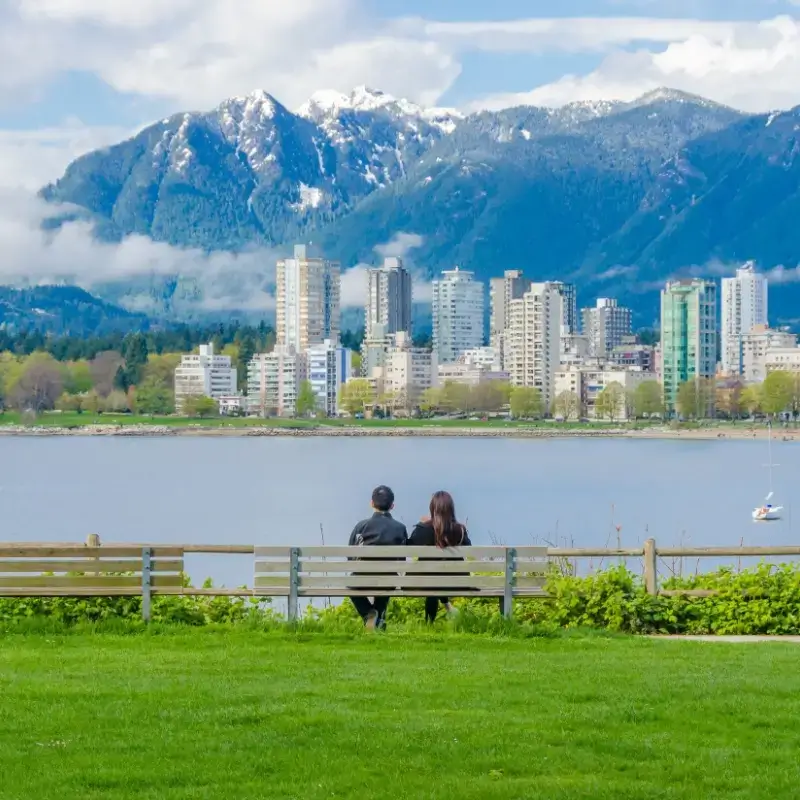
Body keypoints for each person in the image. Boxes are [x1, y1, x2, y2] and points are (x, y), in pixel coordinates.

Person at [348, 485, 408, 630]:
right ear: (392, 506)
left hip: (362, 578)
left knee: (350, 584)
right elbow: (402, 559)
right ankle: (378, 620)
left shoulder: (361, 526)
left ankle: (370, 614)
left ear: (371, 503)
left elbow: (350, 556)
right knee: (388, 578)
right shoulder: (400, 528)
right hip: (389, 579)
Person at [407, 490, 471, 624]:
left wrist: (422, 524)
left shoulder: (423, 529)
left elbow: (409, 546)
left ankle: (429, 623)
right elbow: (468, 548)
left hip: (422, 582)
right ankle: (445, 607)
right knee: (437, 580)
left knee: (433, 580)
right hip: (457, 583)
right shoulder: (460, 530)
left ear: (432, 508)